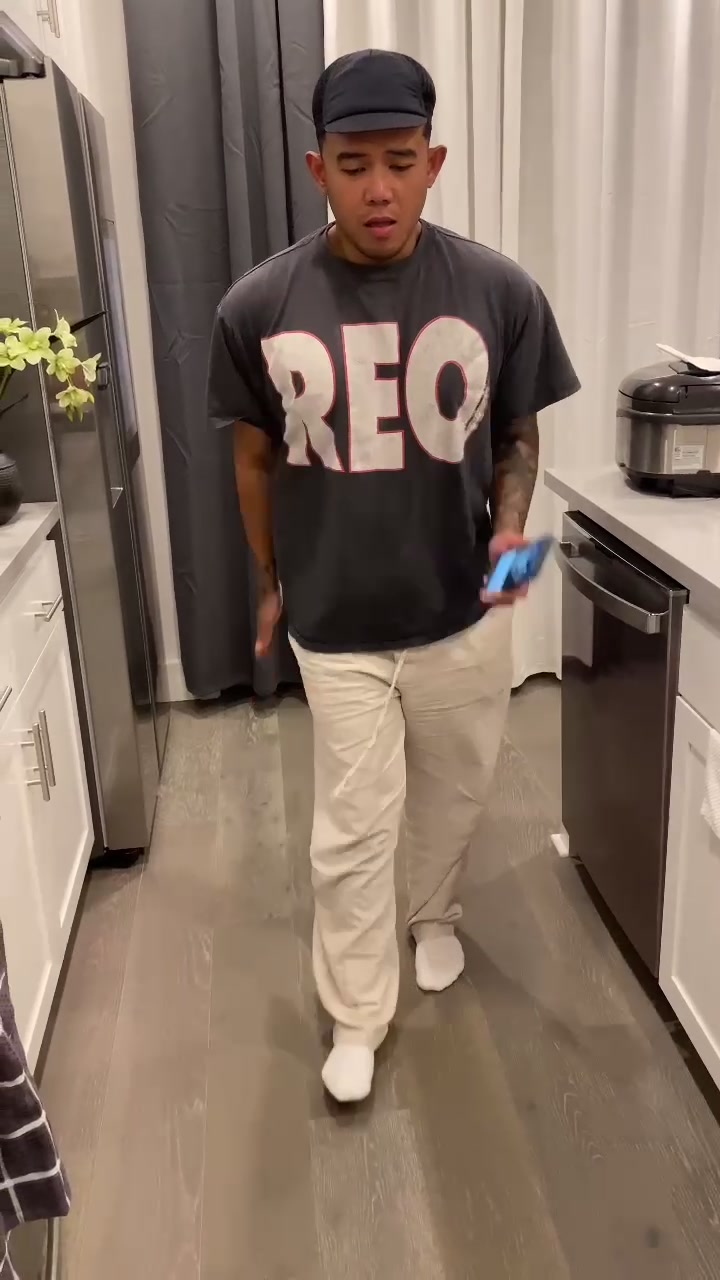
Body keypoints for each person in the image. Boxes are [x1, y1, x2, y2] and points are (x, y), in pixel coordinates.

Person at [208, 48, 579, 1103]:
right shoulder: (258, 306)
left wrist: (513, 527)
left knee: (456, 794)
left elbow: (517, 432)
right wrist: (271, 578)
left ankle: (435, 914)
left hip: (463, 608)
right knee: (351, 830)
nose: (379, 188)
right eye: (355, 164)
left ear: (434, 163)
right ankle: (357, 1011)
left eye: (401, 162)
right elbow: (251, 460)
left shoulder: (500, 290)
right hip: (337, 621)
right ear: (317, 169)